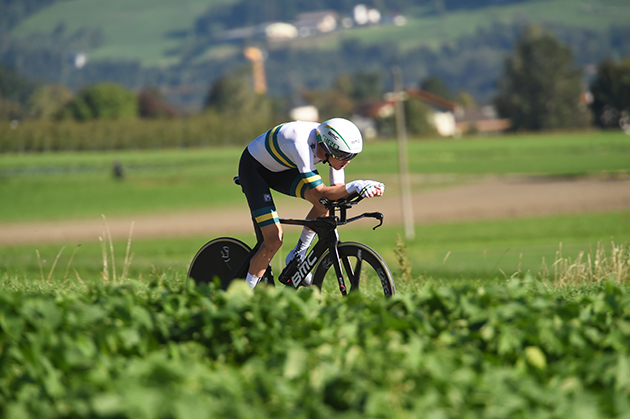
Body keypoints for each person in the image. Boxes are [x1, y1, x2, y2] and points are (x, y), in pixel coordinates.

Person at [238, 117, 385, 289]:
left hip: (283, 168)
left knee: (324, 205)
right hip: (255, 170)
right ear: (330, 149)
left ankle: (297, 255)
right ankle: (245, 296)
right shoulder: (300, 144)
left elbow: (335, 191)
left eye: (352, 156)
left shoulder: (329, 142)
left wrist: (360, 188)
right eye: (345, 156)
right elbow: (320, 192)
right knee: (273, 240)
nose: (348, 161)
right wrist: (355, 185)